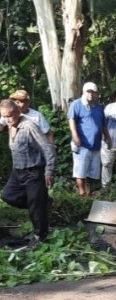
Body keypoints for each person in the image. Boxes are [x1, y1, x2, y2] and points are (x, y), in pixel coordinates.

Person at [0, 99, 56, 247]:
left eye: (9, 116)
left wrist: (49, 171)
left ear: (17, 112)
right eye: (4, 116)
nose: (7, 119)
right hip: (17, 171)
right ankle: (41, 203)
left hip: (33, 172)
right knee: (8, 195)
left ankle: (41, 237)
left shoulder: (29, 127)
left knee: (35, 209)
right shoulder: (10, 125)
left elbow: (48, 148)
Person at [68, 82, 105, 197]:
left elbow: (103, 124)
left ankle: (89, 193)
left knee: (92, 171)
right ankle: (82, 193)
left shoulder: (99, 107)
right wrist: (75, 135)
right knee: (80, 170)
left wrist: (108, 137)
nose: (91, 94)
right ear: (83, 92)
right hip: (82, 143)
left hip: (96, 144)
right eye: (88, 91)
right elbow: (72, 120)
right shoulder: (77, 104)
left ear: (97, 94)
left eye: (93, 92)